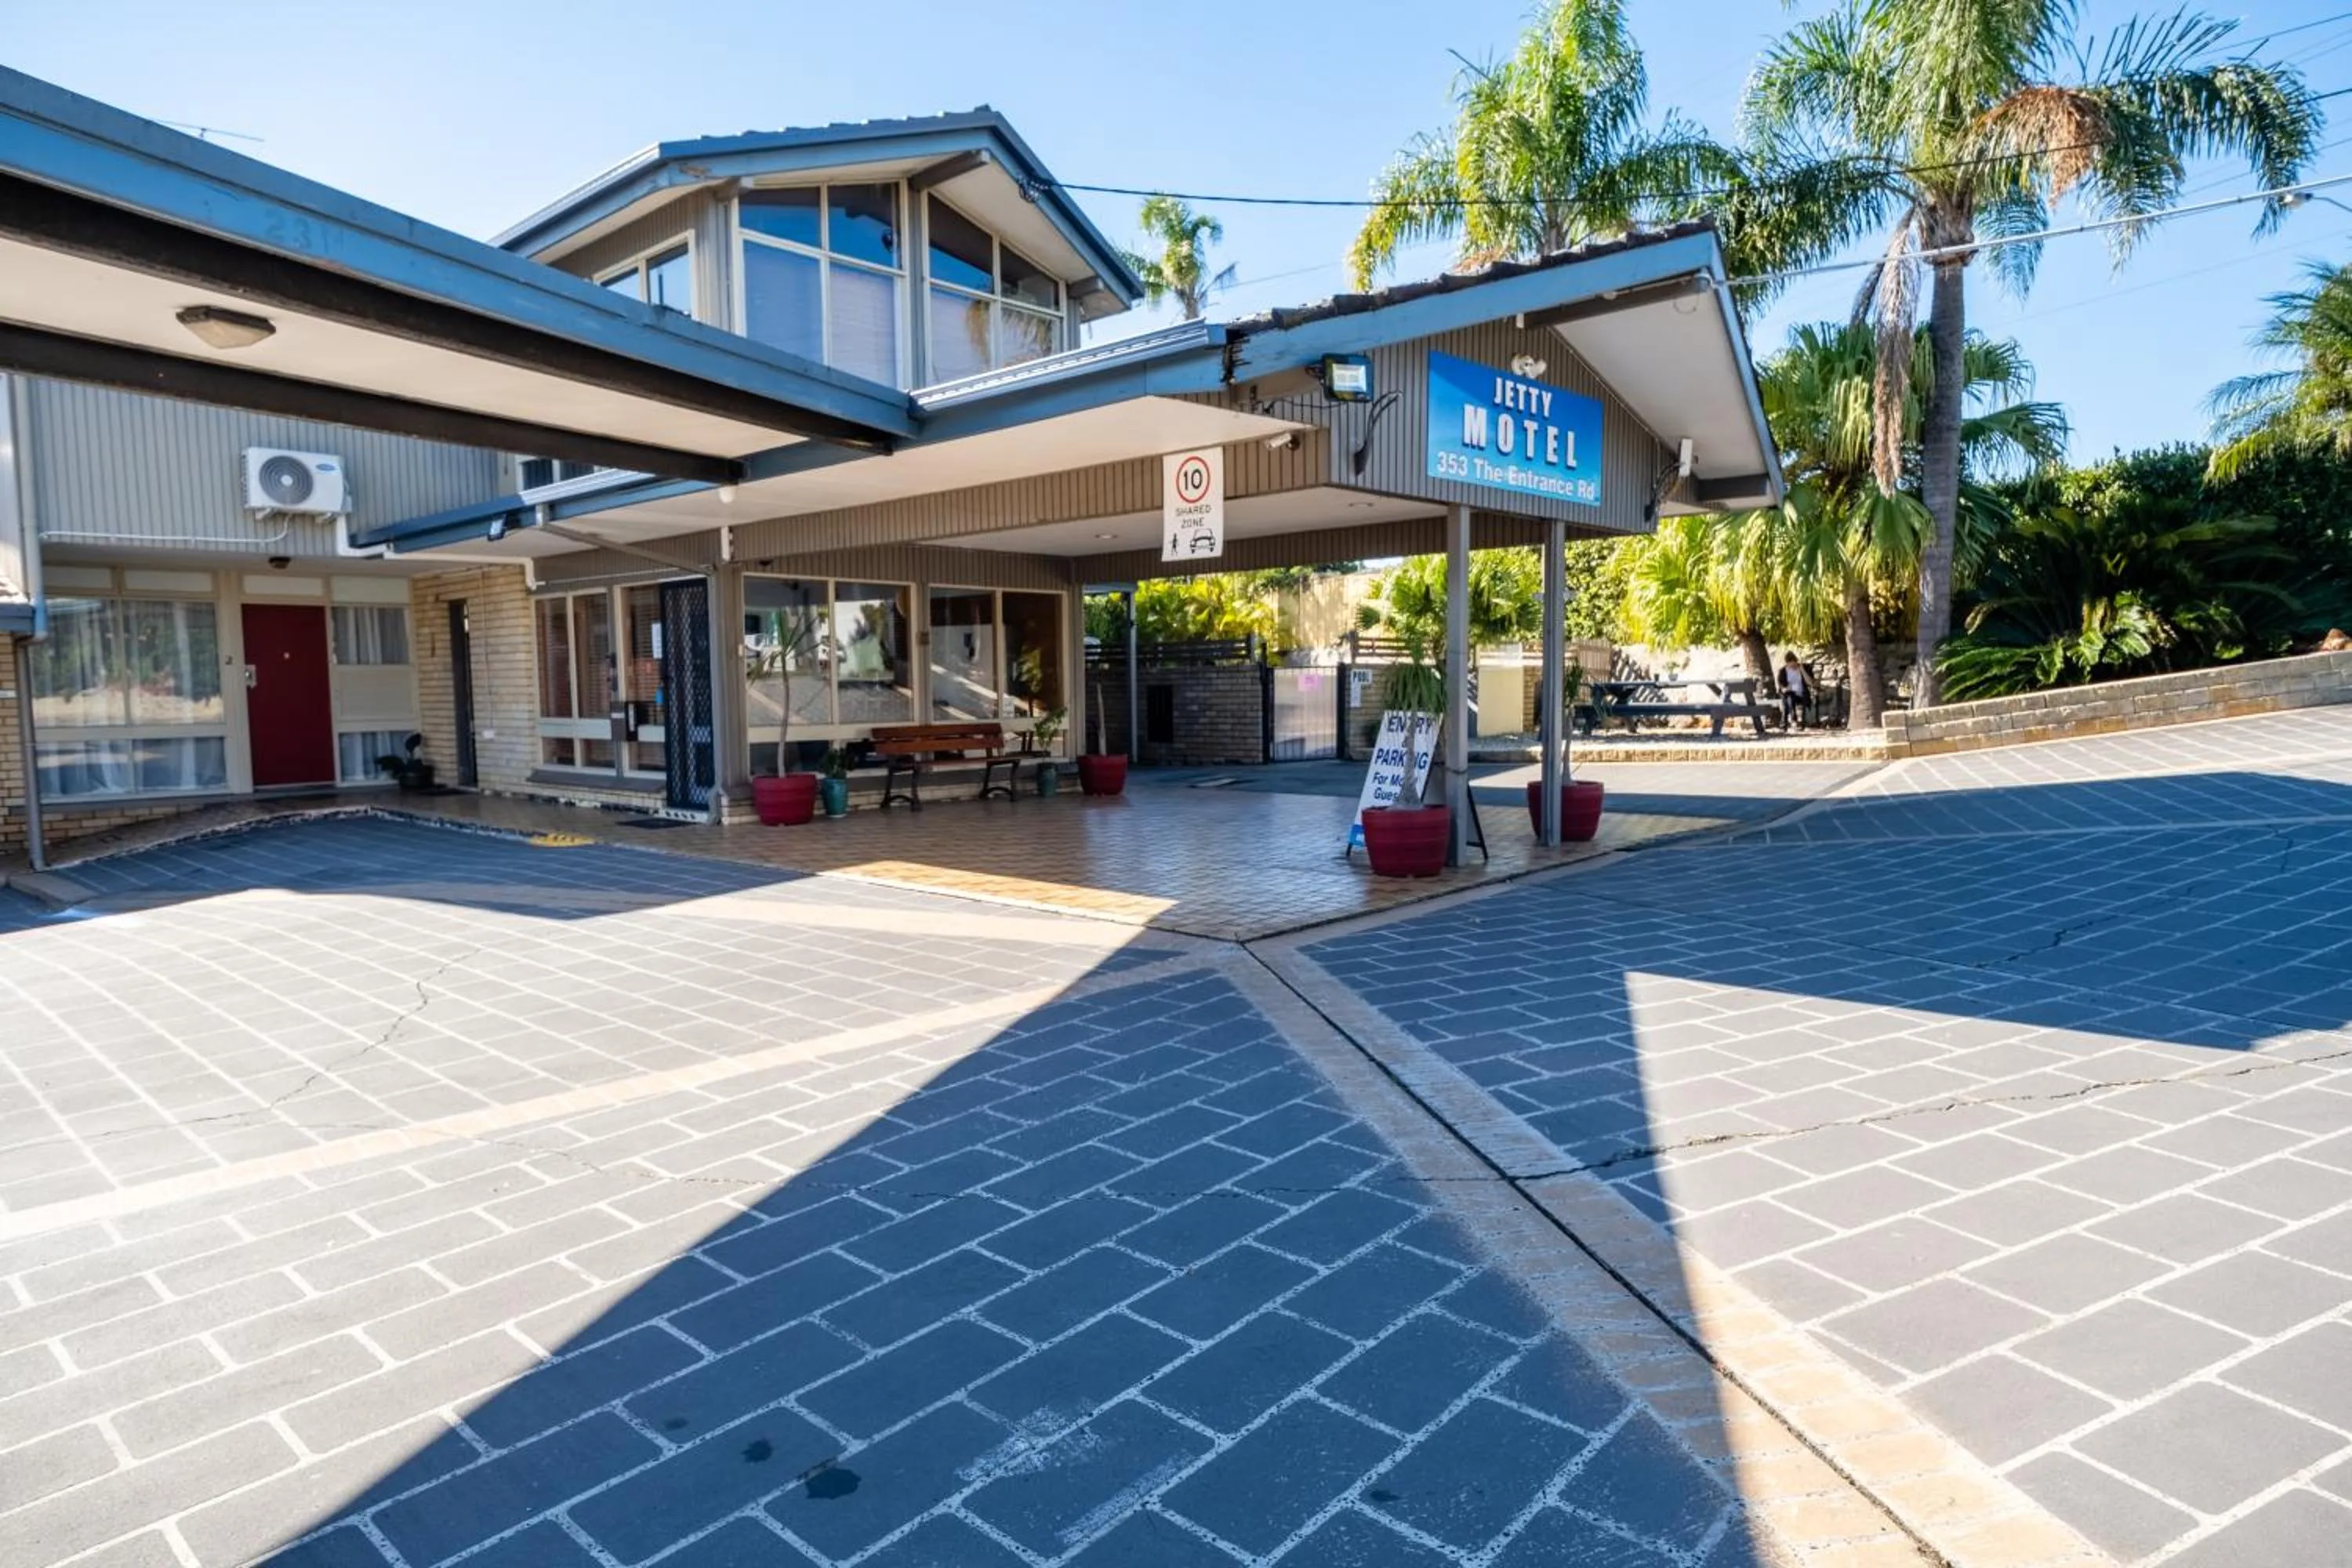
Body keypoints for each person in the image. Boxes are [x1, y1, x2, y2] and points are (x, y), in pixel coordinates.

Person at [1778, 652, 1811, 729]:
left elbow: (1810, 682)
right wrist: (1791, 688)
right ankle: (1794, 720)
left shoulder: (1804, 668)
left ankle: (1789, 723)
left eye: (1794, 664)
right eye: (1791, 665)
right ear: (1787, 664)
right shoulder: (1783, 671)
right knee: (1789, 699)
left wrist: (1802, 670)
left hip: (1803, 693)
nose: (1793, 667)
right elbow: (1783, 689)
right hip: (1789, 695)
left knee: (1802, 699)